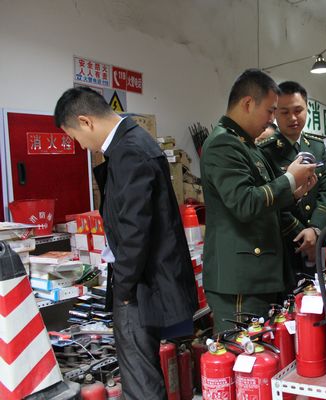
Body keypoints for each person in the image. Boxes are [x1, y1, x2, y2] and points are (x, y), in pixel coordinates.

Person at [54, 87, 198, 400]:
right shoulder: (133, 142)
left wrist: (123, 287)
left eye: (75, 136)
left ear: (86, 121)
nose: (81, 146)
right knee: (143, 373)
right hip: (148, 280)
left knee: (140, 381)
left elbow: (135, 229)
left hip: (140, 286)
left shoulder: (129, 151)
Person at [200, 69, 317, 332]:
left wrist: (294, 193)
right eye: (270, 110)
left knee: (263, 351)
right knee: (243, 352)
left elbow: (265, 202)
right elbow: (244, 203)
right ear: (248, 103)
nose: (272, 119)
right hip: (240, 280)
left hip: (259, 274)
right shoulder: (223, 144)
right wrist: (289, 179)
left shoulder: (247, 145)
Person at [259, 81, 326, 273]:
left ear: (307, 109)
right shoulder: (265, 151)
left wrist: (315, 229)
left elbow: (325, 192)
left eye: (298, 110)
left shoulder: (317, 146)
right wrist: (302, 234)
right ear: (275, 114)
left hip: (317, 238)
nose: (293, 118)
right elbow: (271, 201)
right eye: (284, 112)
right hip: (284, 242)